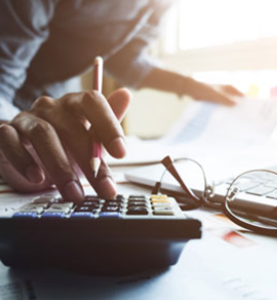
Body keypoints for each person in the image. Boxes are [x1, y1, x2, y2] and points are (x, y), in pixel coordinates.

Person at [0, 0, 242, 203]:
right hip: (19, 109)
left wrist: (191, 86)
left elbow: (127, 59)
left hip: (54, 100)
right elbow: (3, 72)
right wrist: (7, 124)